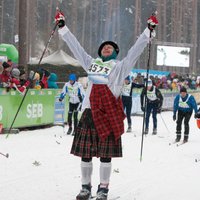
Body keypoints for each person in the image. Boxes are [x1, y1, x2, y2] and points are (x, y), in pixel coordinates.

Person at [55, 10, 158, 200]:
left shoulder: (120, 68)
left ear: (116, 53)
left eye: (111, 47)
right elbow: (76, 48)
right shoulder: (91, 63)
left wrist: (147, 32)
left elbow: (135, 51)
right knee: (85, 154)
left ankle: (103, 189)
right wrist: (63, 28)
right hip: (88, 112)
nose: (107, 48)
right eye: (104, 47)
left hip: (108, 114)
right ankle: (85, 187)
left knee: (105, 155)